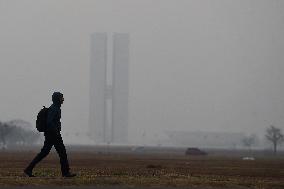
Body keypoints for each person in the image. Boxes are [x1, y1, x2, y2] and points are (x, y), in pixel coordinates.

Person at [24, 92, 76, 177]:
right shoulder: (54, 108)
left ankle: (28, 169)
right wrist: (55, 131)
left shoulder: (56, 107)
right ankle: (66, 173)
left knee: (44, 153)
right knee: (62, 152)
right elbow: (49, 121)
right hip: (53, 134)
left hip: (51, 134)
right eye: (61, 98)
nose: (63, 99)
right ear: (57, 99)